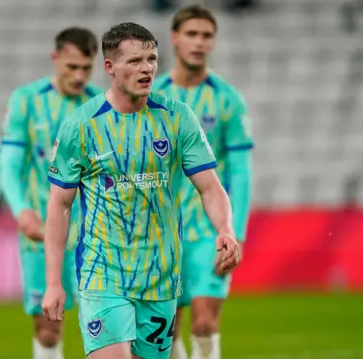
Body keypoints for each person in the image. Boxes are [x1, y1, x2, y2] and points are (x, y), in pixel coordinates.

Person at [42, 22, 242, 359]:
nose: (147, 68)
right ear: (110, 67)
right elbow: (60, 205)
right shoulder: (81, 126)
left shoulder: (177, 118)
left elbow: (210, 188)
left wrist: (225, 229)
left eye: (151, 59)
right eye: (135, 61)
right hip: (102, 272)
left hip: (161, 277)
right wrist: (52, 282)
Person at [153, 6, 254, 359]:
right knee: (167, 330)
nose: (199, 42)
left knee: (205, 323)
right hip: (162, 230)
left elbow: (240, 170)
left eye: (206, 35)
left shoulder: (227, 99)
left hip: (209, 230)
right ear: (175, 39)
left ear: (214, 42)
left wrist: (234, 230)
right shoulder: (153, 96)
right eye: (192, 34)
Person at [0, 26, 102, 359]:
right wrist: (22, 210)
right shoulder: (26, 101)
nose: (79, 75)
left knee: (103, 328)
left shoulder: (102, 105)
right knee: (48, 328)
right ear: (55, 59)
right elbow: (9, 166)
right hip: (42, 231)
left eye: (86, 68)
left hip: (96, 236)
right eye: (71, 67)